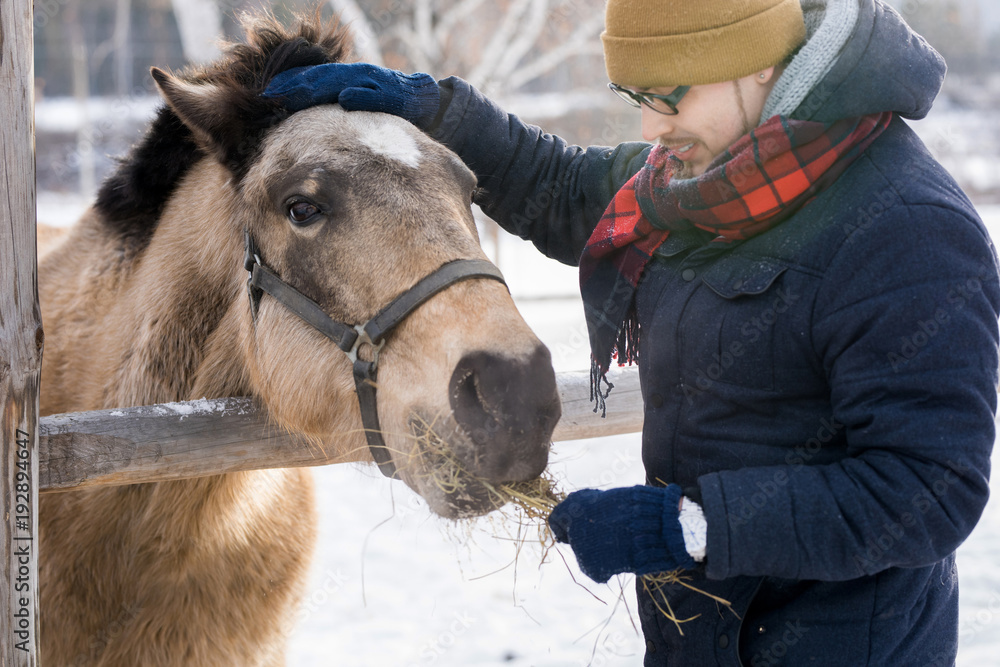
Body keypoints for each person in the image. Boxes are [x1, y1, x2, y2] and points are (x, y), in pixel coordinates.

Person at [264, 0, 1000, 664]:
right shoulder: (708, 180)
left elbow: (926, 492)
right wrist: (440, 111)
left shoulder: (908, 231)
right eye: (636, 99)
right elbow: (561, 186)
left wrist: (693, 526)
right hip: (696, 640)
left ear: (759, 64)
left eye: (669, 97)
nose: (651, 128)